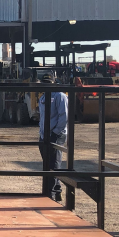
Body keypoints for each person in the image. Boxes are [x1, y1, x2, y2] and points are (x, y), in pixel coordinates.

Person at [38, 74, 68, 202]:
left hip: (56, 134)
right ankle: (56, 190)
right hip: (44, 134)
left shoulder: (60, 96)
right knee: (47, 162)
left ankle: (51, 193)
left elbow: (64, 116)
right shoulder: (43, 97)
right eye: (43, 83)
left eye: (47, 83)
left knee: (54, 163)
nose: (45, 85)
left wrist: (55, 132)